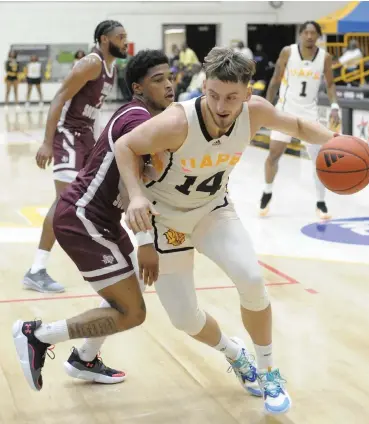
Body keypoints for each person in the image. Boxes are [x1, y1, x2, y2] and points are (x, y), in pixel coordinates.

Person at [113, 47, 340, 415]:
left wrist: (336, 142)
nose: (221, 104)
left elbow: (296, 126)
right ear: (205, 87)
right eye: (213, 94)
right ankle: (234, 352)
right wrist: (137, 195)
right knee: (184, 319)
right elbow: (126, 145)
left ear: (247, 94)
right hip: (167, 220)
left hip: (212, 211)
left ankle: (268, 373)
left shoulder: (257, 112)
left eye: (232, 97)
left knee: (251, 278)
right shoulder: (177, 121)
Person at [12, 49, 175, 390]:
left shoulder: (137, 114)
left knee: (133, 286)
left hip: (102, 218)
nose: (169, 85)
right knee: (133, 312)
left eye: (170, 77)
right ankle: (38, 334)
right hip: (84, 218)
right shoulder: (138, 120)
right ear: (138, 87)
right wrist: (146, 243)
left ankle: (84, 359)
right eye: (158, 80)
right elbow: (136, 188)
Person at [22, 20, 128, 293]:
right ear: (104, 39)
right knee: (64, 202)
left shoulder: (111, 68)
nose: (124, 41)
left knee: (91, 197)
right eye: (120, 37)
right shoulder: (91, 63)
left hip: (85, 138)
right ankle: (36, 269)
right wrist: (47, 142)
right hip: (67, 134)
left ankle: (108, 256)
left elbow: (94, 112)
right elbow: (58, 98)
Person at [261, 21, 340, 220]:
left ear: (319, 36)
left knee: (319, 160)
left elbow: (330, 85)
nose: (309, 36)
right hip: (285, 112)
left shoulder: (325, 57)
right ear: (300, 35)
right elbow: (275, 80)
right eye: (306, 32)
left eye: (313, 33)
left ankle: (321, 202)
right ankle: (267, 191)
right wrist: (266, 108)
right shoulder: (288, 52)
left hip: (309, 114)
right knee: (273, 154)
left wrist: (335, 106)